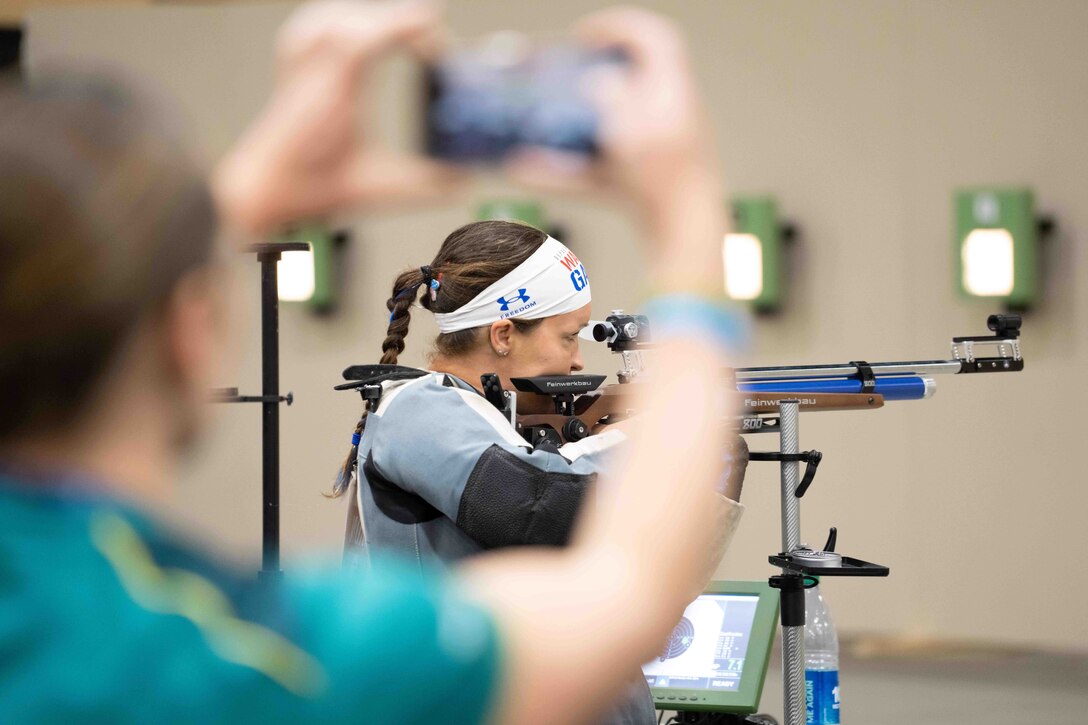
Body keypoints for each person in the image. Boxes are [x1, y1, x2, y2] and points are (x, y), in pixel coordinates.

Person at [0, 2, 744, 723]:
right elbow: (577, 548)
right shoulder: (240, 654)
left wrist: (242, 193)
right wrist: (687, 222)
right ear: (192, 331)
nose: (574, 356)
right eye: (564, 333)